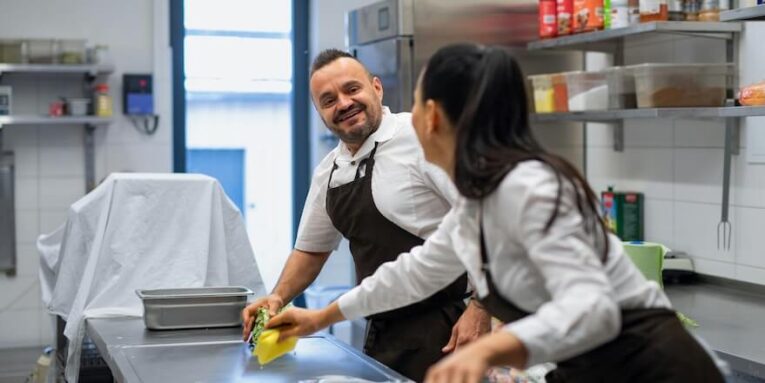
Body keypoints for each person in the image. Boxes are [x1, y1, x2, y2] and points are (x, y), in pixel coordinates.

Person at [265, 44, 725, 383]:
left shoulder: (528, 186)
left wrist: (485, 352)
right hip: (591, 369)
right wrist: (320, 317)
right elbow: (414, 273)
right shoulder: (477, 200)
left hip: (655, 369)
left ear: (433, 118)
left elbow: (595, 308)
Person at [241, 49, 490, 382]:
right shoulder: (329, 172)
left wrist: (481, 307)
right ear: (320, 113)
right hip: (383, 330)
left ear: (377, 88)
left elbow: (484, 217)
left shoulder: (420, 138)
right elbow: (311, 250)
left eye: (351, 89)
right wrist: (278, 297)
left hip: (449, 327)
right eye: (328, 100)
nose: (343, 104)